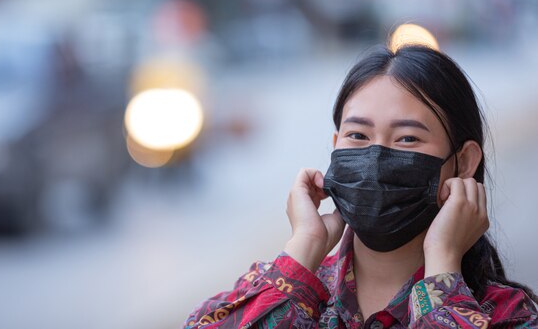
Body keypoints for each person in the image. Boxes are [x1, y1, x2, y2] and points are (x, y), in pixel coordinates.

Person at [182, 44, 538, 329]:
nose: (375, 157)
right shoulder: (292, 291)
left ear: (464, 162)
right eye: (357, 135)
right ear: (335, 144)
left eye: (407, 138)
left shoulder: (506, 315)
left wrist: (443, 270)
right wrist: (305, 248)